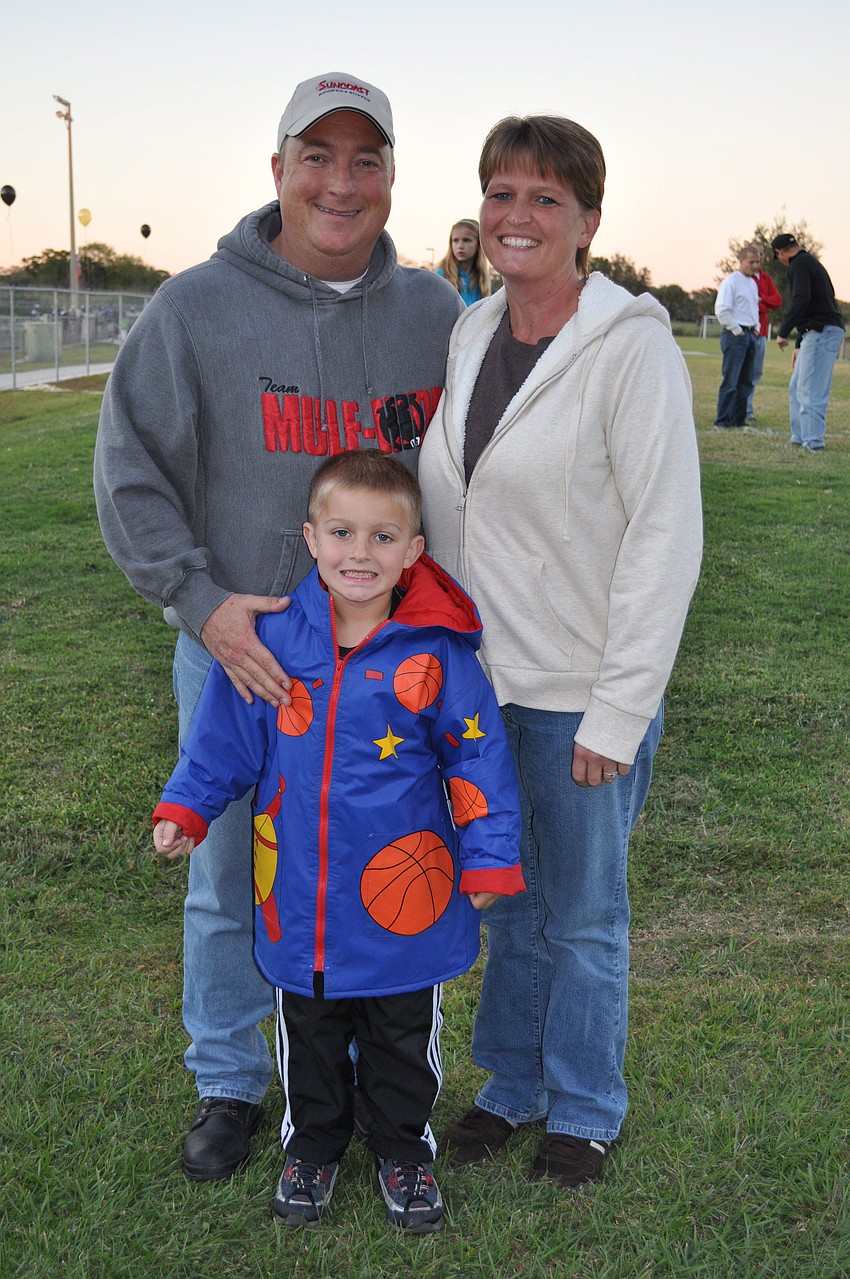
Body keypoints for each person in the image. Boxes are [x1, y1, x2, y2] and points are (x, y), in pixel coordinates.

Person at [93, 71, 464, 1183]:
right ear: (277, 170)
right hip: (244, 658)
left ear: (392, 178)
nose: (339, 183)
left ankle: (380, 1087)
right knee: (226, 875)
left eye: (365, 161)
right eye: (318, 156)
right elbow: (129, 473)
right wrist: (202, 605)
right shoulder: (197, 306)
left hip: (390, 672)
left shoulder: (435, 314)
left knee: (393, 863)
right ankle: (228, 1080)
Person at [419, 114, 702, 1189]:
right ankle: (511, 1085)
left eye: (544, 197)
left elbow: (664, 536)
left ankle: (583, 1105)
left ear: (588, 218)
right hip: (484, 692)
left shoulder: (629, 349)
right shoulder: (471, 330)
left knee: (583, 917)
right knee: (509, 902)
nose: (516, 216)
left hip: (581, 692)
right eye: (500, 193)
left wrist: (619, 709)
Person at [152, 451, 524, 1230]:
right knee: (311, 1037)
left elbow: (478, 754)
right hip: (301, 901)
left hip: (404, 906)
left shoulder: (439, 652)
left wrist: (490, 854)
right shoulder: (274, 641)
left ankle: (403, 1150)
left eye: (384, 537)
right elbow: (222, 737)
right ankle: (312, 1145)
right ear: (311, 537)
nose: (362, 553)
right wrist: (188, 807)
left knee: (399, 1035)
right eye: (344, 533)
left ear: (415, 549)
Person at [771, 233, 846, 451]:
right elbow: (815, 303)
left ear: (780, 252)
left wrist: (783, 331)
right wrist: (799, 343)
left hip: (822, 332)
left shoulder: (799, 264)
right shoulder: (808, 262)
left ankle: (813, 442)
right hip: (814, 332)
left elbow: (801, 300)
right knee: (797, 386)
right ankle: (800, 436)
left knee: (810, 389)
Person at [713, 246, 760, 429]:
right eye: (751, 262)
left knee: (746, 382)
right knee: (731, 381)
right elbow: (722, 310)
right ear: (740, 261)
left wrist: (756, 327)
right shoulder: (731, 282)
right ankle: (722, 420)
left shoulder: (753, 283)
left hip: (750, 335)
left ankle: (738, 420)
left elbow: (753, 308)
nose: (755, 265)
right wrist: (737, 330)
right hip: (736, 336)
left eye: (757, 262)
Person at [746, 242, 782, 423]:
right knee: (741, 373)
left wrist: (762, 300)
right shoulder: (743, 279)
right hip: (745, 333)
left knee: (755, 373)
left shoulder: (766, 279)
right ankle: (741, 409)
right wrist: (761, 303)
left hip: (761, 334)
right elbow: (748, 304)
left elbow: (777, 301)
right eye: (755, 253)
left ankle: (748, 408)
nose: (758, 257)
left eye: (761, 253)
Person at [436, 218, 491, 305]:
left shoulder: (481, 277)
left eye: (466, 240)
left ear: (479, 244)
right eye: (455, 240)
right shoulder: (441, 275)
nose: (460, 246)